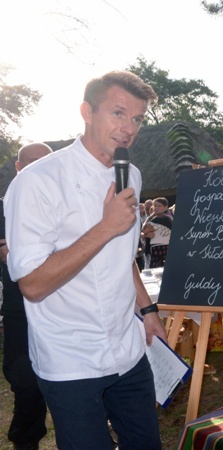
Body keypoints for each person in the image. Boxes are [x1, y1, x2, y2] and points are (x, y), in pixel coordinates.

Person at [4, 71, 167, 450]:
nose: (128, 128)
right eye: (118, 113)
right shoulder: (38, 181)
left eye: (137, 118)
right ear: (86, 112)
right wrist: (106, 226)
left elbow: (122, 257)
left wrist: (149, 309)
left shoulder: (134, 175)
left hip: (128, 350)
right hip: (71, 359)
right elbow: (32, 284)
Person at [1, 143, 52, 450]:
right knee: (27, 390)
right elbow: (10, 258)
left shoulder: (64, 206)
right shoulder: (3, 207)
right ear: (19, 168)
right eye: (32, 163)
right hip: (22, 318)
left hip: (65, 315)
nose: (39, 168)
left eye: (46, 163)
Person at [141, 197, 173, 268]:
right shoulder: (155, 219)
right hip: (155, 250)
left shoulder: (167, 219)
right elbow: (144, 231)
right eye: (155, 206)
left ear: (165, 207)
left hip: (162, 250)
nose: (156, 208)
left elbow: (144, 229)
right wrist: (145, 235)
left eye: (159, 206)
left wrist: (145, 233)